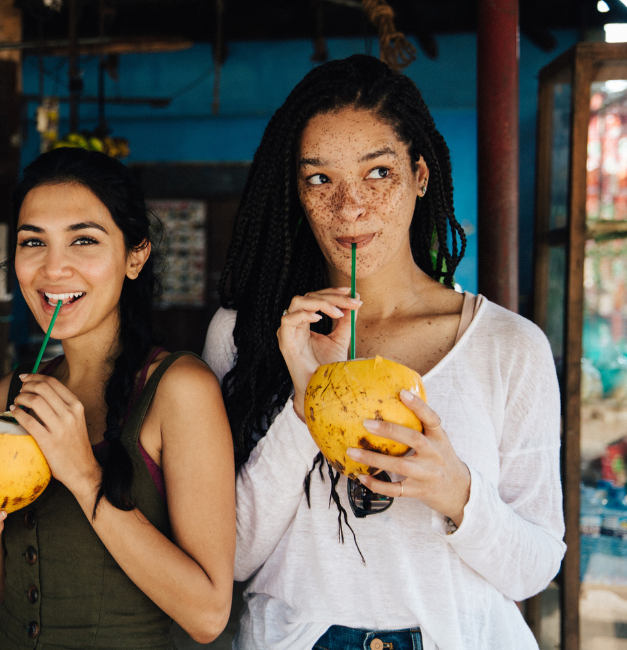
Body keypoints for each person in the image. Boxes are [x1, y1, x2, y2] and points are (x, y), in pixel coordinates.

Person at [203, 54, 565, 650]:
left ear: (420, 175)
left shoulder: (508, 346)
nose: (350, 207)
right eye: (319, 179)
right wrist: (305, 401)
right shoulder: (244, 335)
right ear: (295, 190)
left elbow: (533, 568)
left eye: (378, 173)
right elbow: (232, 557)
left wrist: (454, 488)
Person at [0, 147, 236, 649]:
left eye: (83, 240)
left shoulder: (180, 390)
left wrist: (83, 475)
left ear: (135, 256)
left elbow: (208, 615)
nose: (54, 268)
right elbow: (9, 592)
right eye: (34, 241)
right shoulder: (10, 394)